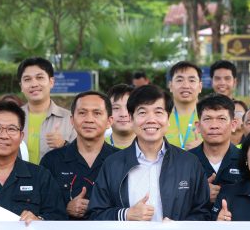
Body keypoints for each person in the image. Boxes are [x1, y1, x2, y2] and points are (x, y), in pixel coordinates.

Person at [87, 85, 210, 221]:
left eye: (158, 112)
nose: (151, 119)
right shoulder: (112, 164)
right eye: (142, 112)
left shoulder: (189, 163)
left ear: (168, 119)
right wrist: (126, 214)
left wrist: (177, 227)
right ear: (131, 119)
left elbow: (203, 212)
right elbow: (96, 214)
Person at [40, 91, 119, 220]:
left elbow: (128, 205)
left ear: (109, 121)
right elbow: (41, 208)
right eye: (82, 113)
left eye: (97, 113)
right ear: (72, 120)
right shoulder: (51, 160)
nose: (89, 119)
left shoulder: (120, 160)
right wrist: (65, 208)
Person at [18, 57, 76, 164]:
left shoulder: (70, 119)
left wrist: (64, 145)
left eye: (40, 77)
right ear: (21, 86)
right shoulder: (12, 119)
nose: (34, 84)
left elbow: (83, 157)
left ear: (51, 82)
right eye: (27, 79)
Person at [188, 94, 243, 205]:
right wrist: (199, 194)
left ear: (233, 125)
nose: (214, 126)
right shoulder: (184, 161)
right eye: (208, 119)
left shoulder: (246, 160)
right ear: (198, 126)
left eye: (221, 119)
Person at [167, 61, 203, 150]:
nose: (186, 86)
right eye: (179, 80)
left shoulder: (211, 117)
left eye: (192, 80)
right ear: (170, 86)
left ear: (200, 87)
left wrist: (206, 148)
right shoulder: (160, 117)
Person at [105, 84, 135, 149]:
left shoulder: (152, 144)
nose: (123, 114)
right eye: (116, 108)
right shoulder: (98, 146)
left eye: (128, 108)